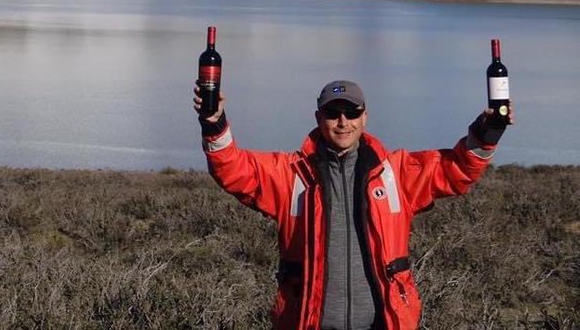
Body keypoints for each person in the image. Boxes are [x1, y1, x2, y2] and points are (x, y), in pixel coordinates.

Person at [193, 79, 514, 330]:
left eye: (352, 113)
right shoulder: (290, 174)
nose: (343, 122)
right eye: (333, 113)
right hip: (308, 322)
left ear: (365, 117)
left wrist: (487, 132)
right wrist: (214, 123)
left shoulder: (396, 173)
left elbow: (456, 169)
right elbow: (233, 169)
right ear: (318, 118)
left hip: (383, 323)